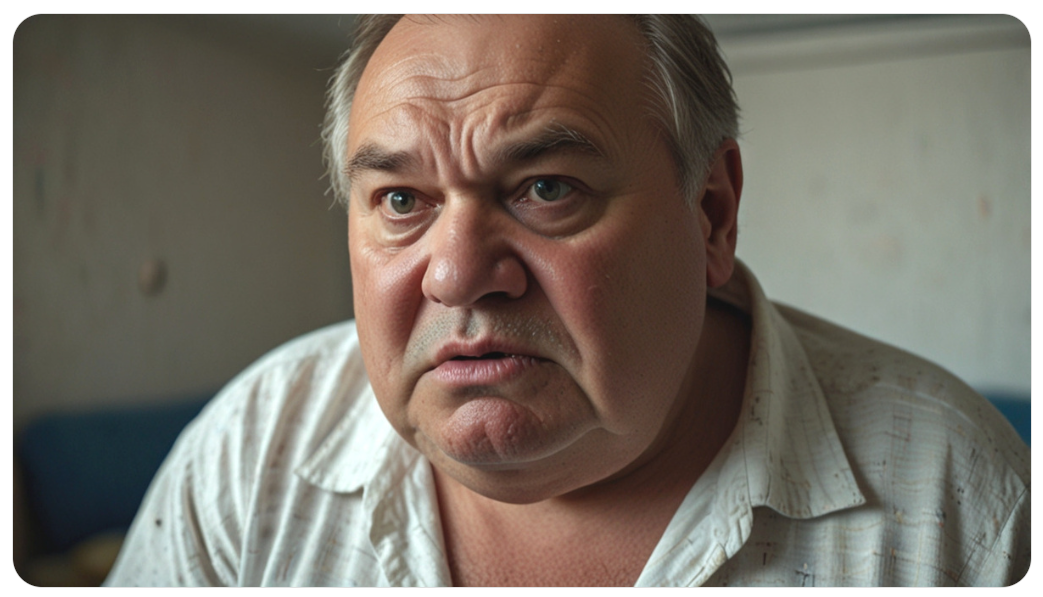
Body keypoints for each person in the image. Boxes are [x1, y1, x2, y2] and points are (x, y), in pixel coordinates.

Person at [104, 15, 1030, 586]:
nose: (456, 274)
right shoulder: (248, 457)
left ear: (710, 213)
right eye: (401, 201)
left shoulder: (960, 505)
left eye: (546, 188)